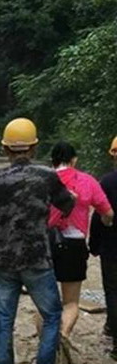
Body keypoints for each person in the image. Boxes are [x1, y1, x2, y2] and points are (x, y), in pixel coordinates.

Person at [0, 118, 75, 364]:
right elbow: (67, 204)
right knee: (52, 316)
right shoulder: (47, 177)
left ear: (5, 150)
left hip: (3, 260)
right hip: (37, 259)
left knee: (5, 318)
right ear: (34, 148)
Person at [47, 142, 113, 340]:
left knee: (47, 304)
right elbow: (108, 213)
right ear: (74, 159)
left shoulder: (42, 180)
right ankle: (64, 335)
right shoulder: (88, 181)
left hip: (45, 245)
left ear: (52, 160)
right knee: (71, 303)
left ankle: (48, 343)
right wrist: (106, 224)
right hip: (74, 245)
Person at [90, 136, 117, 360]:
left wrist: (94, 244)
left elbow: (99, 216)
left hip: (112, 248)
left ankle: (115, 338)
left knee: (113, 292)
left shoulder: (107, 182)